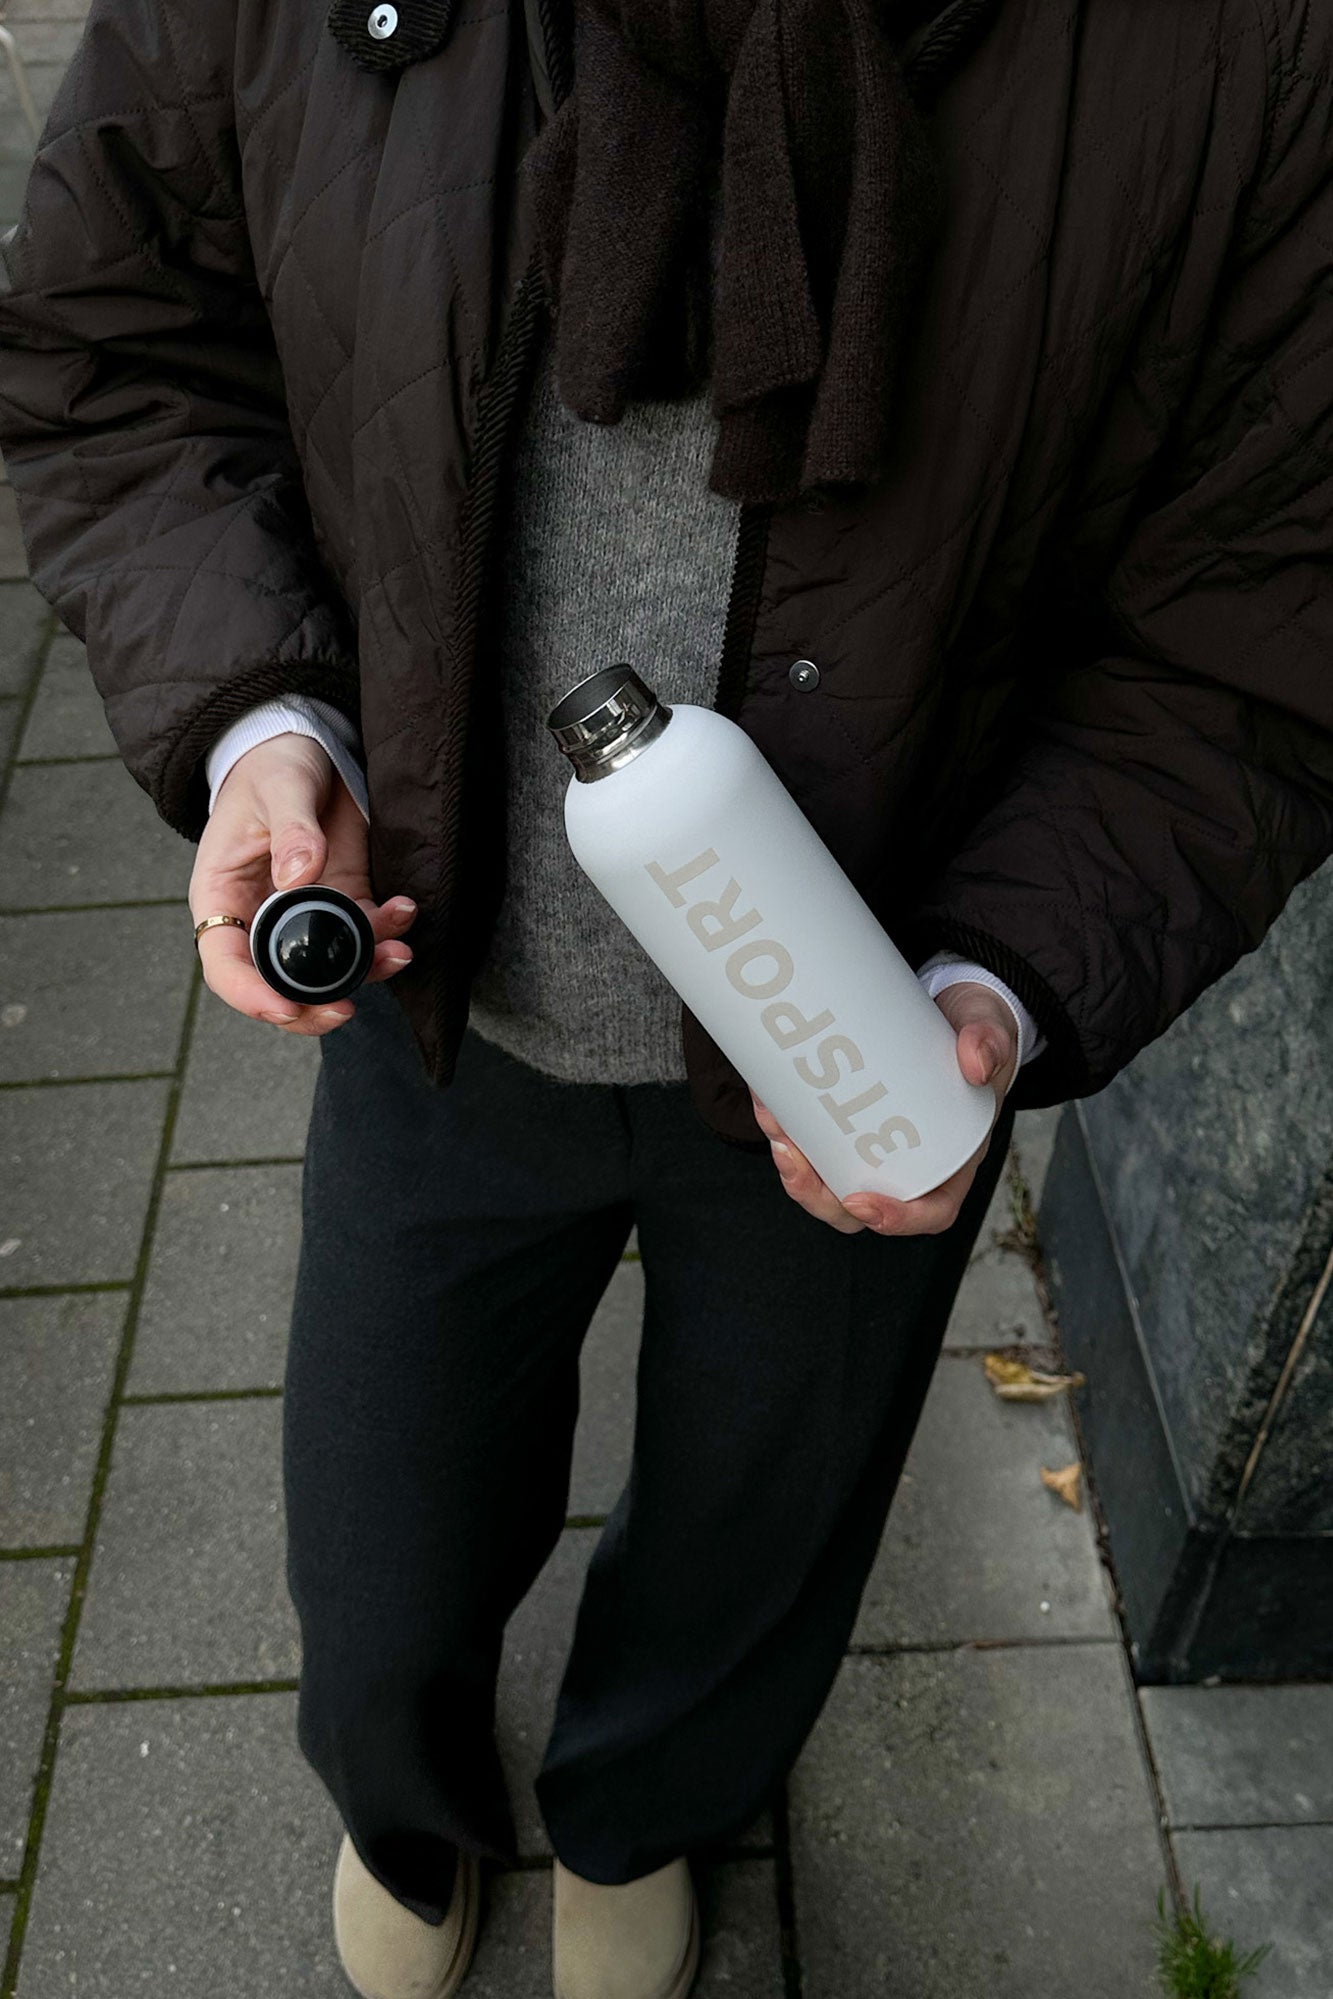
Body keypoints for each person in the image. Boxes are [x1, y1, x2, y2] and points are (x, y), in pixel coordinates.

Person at [1, 0, 1330, 1993]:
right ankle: (406, 1800)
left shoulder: (1239, 48)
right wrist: (262, 719)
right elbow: (115, 336)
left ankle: (642, 1810)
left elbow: (1259, 616)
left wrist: (993, 983)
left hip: (859, 1041)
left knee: (755, 1536)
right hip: (441, 999)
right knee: (380, 1528)